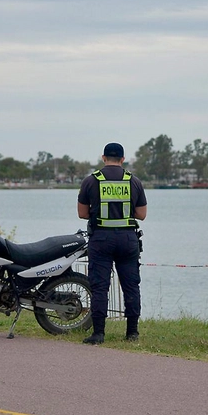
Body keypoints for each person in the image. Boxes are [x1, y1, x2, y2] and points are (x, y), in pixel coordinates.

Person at [77, 142, 147, 345]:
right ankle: (132, 333)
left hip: (101, 239)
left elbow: (82, 213)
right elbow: (142, 214)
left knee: (100, 287)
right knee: (131, 286)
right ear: (123, 159)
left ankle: (98, 333)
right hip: (127, 240)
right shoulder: (134, 181)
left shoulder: (91, 180)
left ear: (103, 158)